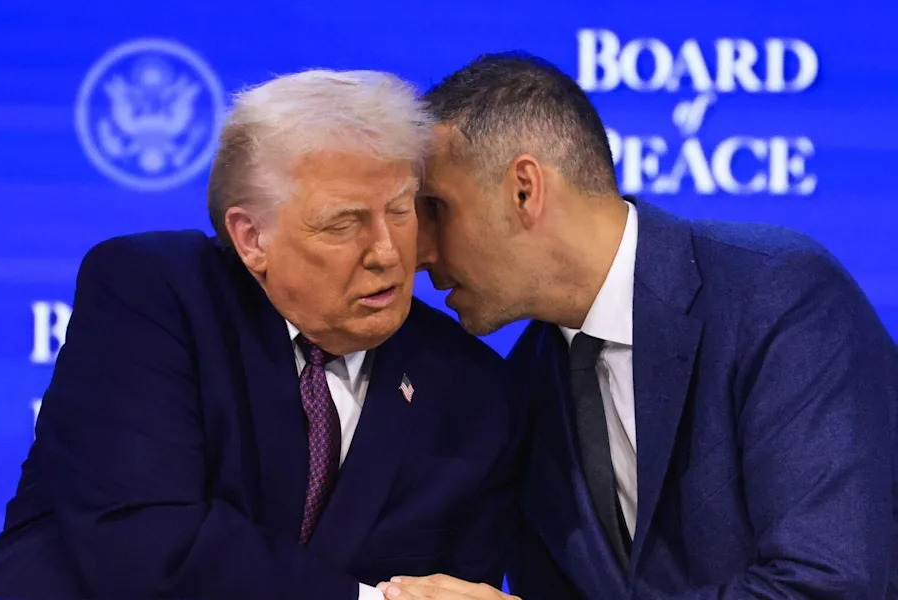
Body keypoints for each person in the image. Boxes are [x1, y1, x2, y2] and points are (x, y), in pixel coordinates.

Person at [0, 69, 522, 600]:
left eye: (400, 211)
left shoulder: (472, 393)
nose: (385, 252)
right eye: (343, 223)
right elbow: (148, 543)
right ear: (252, 237)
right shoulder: (153, 296)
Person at [379, 53, 898, 599]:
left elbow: (834, 587)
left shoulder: (779, 296)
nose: (417, 253)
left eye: (435, 209)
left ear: (524, 190)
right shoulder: (522, 389)